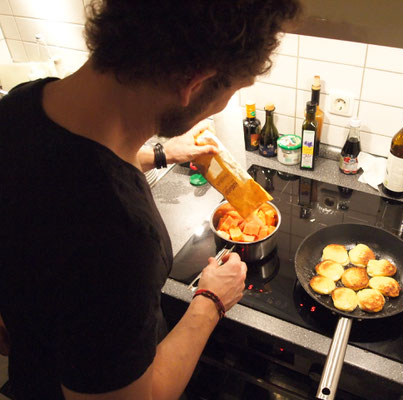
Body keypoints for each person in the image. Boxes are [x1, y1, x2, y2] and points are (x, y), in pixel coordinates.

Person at [0, 0, 300, 399]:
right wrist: (210, 301)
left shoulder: (20, 104)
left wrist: (162, 153)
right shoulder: (119, 235)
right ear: (195, 83)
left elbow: (70, 164)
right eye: (232, 90)